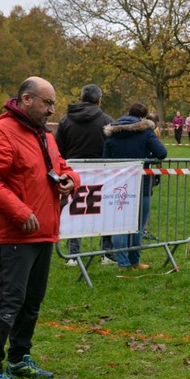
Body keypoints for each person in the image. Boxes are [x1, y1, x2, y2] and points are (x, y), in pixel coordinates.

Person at [0, 77, 80, 379]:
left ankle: (19, 358)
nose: (52, 110)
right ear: (27, 99)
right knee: (8, 303)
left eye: (53, 103)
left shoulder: (43, 134)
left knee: (31, 302)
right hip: (17, 234)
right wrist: (19, 212)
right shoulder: (2, 132)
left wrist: (71, 180)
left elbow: (62, 166)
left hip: (44, 232)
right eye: (48, 103)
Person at [102, 102, 168, 271]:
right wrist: (148, 155)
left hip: (118, 184)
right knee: (138, 224)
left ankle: (122, 263)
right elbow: (161, 153)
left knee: (119, 224)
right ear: (143, 117)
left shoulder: (113, 132)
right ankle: (135, 261)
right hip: (141, 183)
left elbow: (105, 159)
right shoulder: (146, 131)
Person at [55, 83, 114, 265]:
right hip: (101, 174)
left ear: (80, 99)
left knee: (74, 211)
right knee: (105, 211)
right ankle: (106, 252)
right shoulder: (107, 121)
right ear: (99, 100)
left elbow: (58, 149)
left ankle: (73, 255)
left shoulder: (65, 120)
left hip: (72, 174)